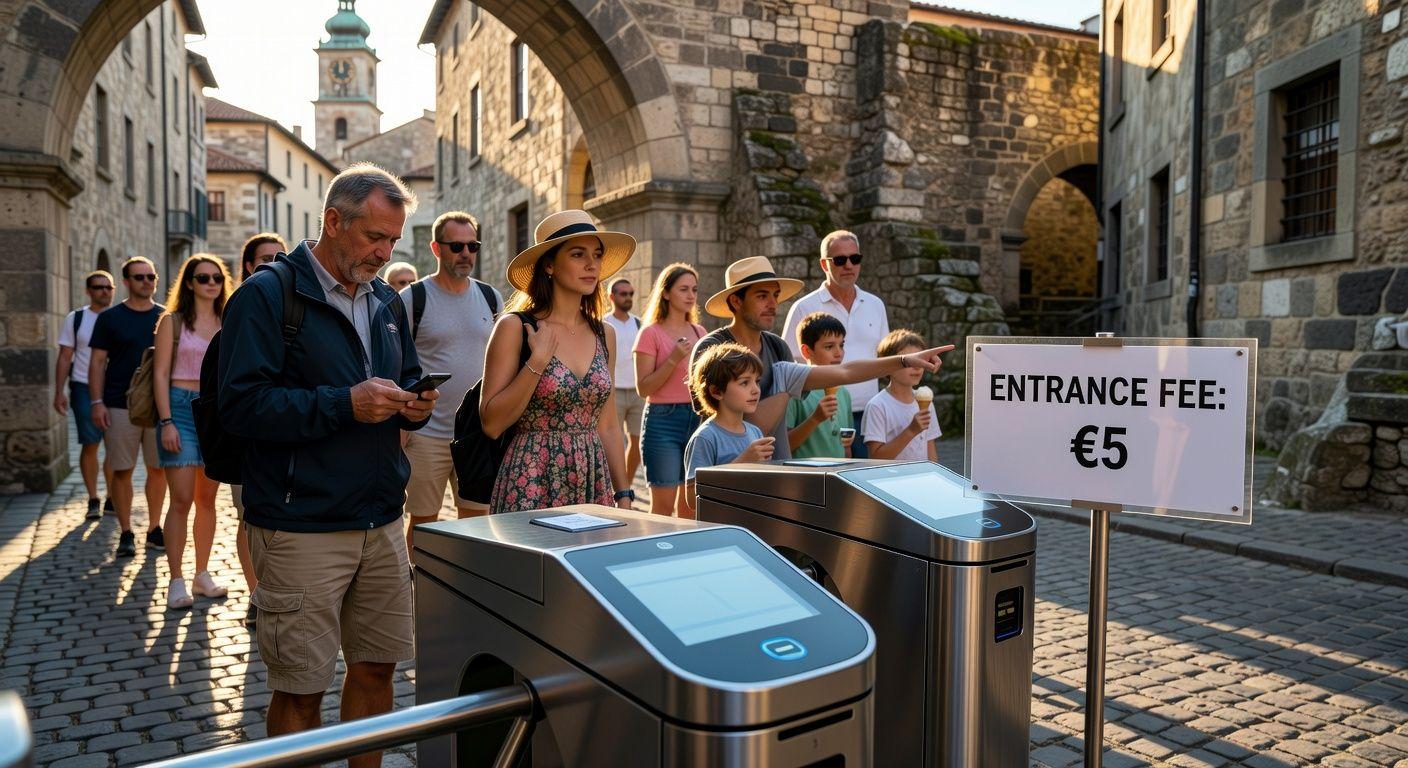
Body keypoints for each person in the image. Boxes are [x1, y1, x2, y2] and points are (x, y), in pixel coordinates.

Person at [218, 163, 435, 763]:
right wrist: (345, 404)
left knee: (377, 669)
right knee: (300, 689)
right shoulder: (266, 295)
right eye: (375, 237)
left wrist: (415, 406)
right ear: (334, 221)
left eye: (394, 240)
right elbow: (240, 406)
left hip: (381, 520)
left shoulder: (386, 299)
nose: (386, 253)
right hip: (300, 525)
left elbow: (405, 377)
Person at [480, 210, 635, 515]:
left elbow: (608, 425)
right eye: (578, 254)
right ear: (549, 265)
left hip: (592, 478)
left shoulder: (605, 334)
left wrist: (624, 494)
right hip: (531, 476)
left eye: (597, 255)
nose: (592, 264)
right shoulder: (515, 327)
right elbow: (491, 424)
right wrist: (537, 362)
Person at [400, 211, 502, 547]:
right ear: (436, 248)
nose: (466, 253)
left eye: (473, 246)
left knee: (477, 522)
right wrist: (401, 425)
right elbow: (394, 364)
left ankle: (465, 580)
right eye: (457, 246)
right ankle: (417, 577)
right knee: (423, 521)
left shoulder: (491, 298)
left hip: (477, 434)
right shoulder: (412, 298)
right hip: (426, 433)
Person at [152, 254, 232, 610]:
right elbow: (159, 375)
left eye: (217, 277)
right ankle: (175, 579)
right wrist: (166, 421)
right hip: (180, 409)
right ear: (189, 283)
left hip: (214, 411)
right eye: (203, 277)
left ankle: (201, 574)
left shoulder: (228, 320)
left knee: (207, 500)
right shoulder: (172, 322)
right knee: (181, 499)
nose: (211, 283)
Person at [782, 230, 889, 458]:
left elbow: (884, 357)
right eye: (840, 260)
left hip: (870, 413)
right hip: (818, 414)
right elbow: (789, 364)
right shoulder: (803, 307)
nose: (848, 265)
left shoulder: (875, 304)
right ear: (824, 264)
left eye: (855, 258)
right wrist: (810, 414)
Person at [89, 257, 167, 558]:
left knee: (158, 470)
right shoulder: (110, 318)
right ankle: (125, 532)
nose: (146, 282)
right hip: (119, 404)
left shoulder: (166, 317)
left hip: (158, 407)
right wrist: (97, 402)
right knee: (122, 470)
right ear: (126, 282)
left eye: (151, 277)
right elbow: (97, 363)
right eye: (139, 277)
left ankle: (154, 528)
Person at [691, 256, 805, 460]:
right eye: (762, 296)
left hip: (779, 467)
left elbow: (841, 373)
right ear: (736, 301)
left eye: (775, 295)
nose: (773, 304)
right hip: (726, 470)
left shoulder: (778, 347)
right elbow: (738, 425)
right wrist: (786, 387)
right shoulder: (711, 348)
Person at [232, 232, 287, 626]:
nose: (273, 264)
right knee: (248, 518)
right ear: (249, 266)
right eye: (265, 258)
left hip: (288, 437)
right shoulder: (244, 304)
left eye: (279, 257)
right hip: (249, 438)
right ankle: (256, 593)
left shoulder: (292, 303)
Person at [633, 264, 706, 517]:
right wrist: (673, 359)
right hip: (662, 421)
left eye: (694, 290)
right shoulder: (650, 333)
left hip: (697, 419)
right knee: (662, 508)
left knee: (690, 508)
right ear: (665, 293)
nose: (691, 295)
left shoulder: (700, 332)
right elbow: (643, 388)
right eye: (683, 289)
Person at [681, 343, 777, 514]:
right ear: (716, 391)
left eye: (757, 381)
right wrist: (743, 462)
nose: (755, 390)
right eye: (744, 383)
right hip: (721, 526)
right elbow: (692, 499)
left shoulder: (755, 432)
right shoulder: (705, 438)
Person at [55, 270, 116, 519]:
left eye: (108, 287)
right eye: (98, 287)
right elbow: (64, 357)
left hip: (115, 387)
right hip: (83, 386)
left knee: (115, 446)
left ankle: (112, 496)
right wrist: (59, 391)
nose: (104, 291)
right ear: (88, 291)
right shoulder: (77, 318)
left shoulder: (118, 316)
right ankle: (93, 498)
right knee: (90, 443)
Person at [863, 329, 943, 462]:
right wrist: (911, 431)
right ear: (888, 366)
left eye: (921, 359)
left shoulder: (927, 402)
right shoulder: (877, 406)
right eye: (910, 361)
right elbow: (876, 458)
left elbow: (931, 450)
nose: (917, 366)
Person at [786, 312, 855, 459]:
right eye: (829, 347)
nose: (839, 353)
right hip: (805, 471)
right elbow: (784, 445)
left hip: (837, 471)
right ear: (807, 351)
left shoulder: (844, 393)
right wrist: (815, 419)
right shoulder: (794, 391)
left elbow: (846, 446)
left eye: (841, 345)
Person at [604, 278, 643, 483]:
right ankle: (615, 485)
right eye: (623, 294)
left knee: (637, 442)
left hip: (637, 392)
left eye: (631, 294)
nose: (628, 297)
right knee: (615, 442)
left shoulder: (639, 323)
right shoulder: (603, 323)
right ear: (612, 297)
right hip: (613, 392)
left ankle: (624, 486)